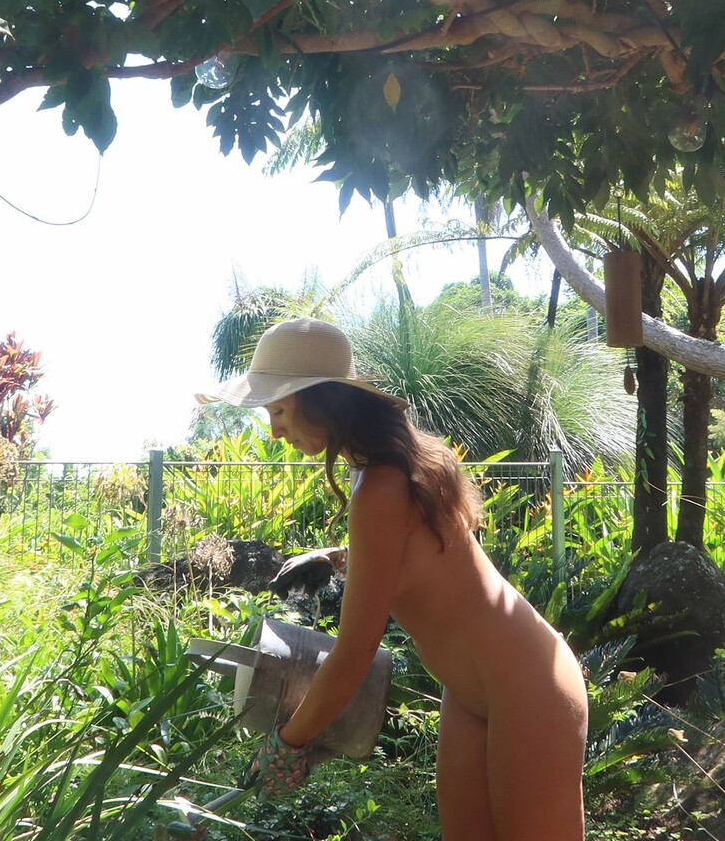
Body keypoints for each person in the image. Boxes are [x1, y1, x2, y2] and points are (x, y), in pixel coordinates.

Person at [202, 317, 588, 841]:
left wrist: (288, 742)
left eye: (279, 410)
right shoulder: (393, 467)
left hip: (528, 684)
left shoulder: (382, 487)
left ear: (321, 401)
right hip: (469, 691)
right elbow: (426, 553)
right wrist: (342, 555)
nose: (274, 430)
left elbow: (354, 654)